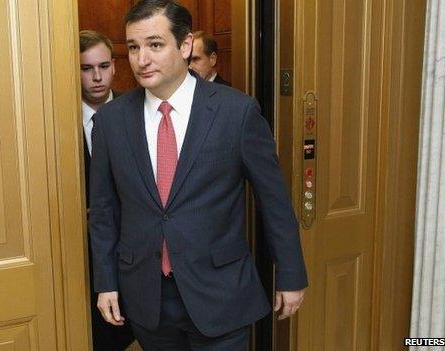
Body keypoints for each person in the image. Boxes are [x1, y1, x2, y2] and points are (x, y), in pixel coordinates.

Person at [89, 1, 308, 349]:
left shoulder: (237, 112)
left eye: (155, 45)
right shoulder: (111, 121)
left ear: (186, 44)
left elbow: (274, 201)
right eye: (133, 47)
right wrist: (106, 282)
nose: (141, 59)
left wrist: (292, 275)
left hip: (220, 293)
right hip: (147, 296)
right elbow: (103, 210)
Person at [79, 29, 135, 351]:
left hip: (133, 251)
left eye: (103, 66)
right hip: (79, 253)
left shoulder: (137, 113)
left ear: (114, 66)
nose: (97, 77)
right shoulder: (55, 121)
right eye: (86, 69)